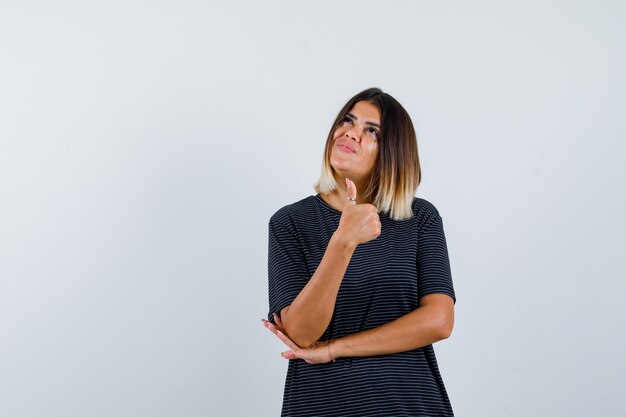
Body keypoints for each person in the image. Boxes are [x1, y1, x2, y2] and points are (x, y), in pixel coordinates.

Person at [262, 87, 457, 417]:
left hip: (407, 402)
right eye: (347, 120)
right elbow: (301, 333)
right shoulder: (290, 222)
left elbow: (439, 321)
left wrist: (335, 349)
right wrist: (343, 241)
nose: (351, 132)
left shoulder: (418, 218)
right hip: (322, 404)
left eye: (372, 131)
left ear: (393, 152)